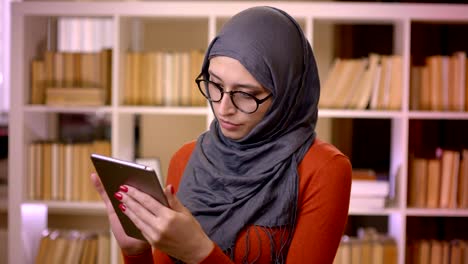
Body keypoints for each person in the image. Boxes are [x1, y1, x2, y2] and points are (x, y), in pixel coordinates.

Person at [91, 6, 352, 264]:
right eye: (215, 85)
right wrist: (135, 251)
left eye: (245, 94)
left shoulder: (324, 169)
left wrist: (199, 252)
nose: (223, 108)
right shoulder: (186, 158)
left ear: (287, 95)